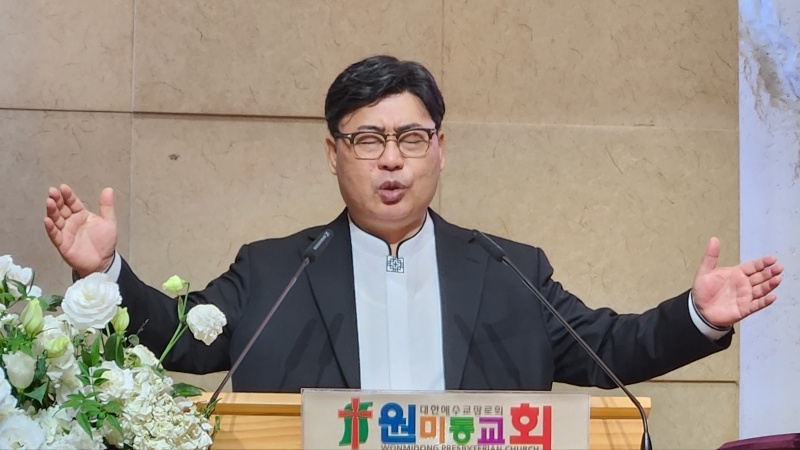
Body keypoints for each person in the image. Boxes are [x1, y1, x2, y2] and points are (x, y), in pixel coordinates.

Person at [44, 55, 783, 393]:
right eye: (368, 139)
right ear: (334, 154)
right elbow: (180, 339)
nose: (391, 159)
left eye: (411, 138)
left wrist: (697, 316)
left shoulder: (510, 269)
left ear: (441, 149)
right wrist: (102, 273)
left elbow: (607, 350)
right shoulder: (274, 271)